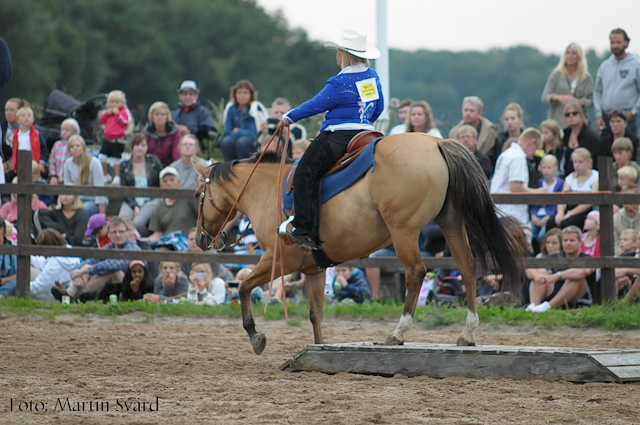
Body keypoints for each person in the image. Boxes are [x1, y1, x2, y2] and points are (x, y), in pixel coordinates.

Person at [279, 29, 383, 249]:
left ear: (343, 54)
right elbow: (378, 107)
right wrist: (363, 122)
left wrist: (289, 117)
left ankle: (306, 230)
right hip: (367, 134)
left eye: (338, 51)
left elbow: (316, 105)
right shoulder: (371, 76)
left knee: (305, 172)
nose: (336, 55)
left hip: (339, 136)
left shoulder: (339, 82)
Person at [51, 217, 141, 302]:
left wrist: (86, 271)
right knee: (87, 268)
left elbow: (113, 265)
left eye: (121, 232)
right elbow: (91, 260)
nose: (118, 235)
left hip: (133, 287)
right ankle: (69, 293)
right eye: (114, 232)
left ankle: (75, 295)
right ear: (108, 234)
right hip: (115, 286)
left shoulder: (132, 248)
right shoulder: (109, 247)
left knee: (110, 272)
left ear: (127, 233)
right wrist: (79, 272)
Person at [490, 128, 546, 245]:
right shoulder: (518, 158)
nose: (535, 152)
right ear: (532, 142)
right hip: (512, 216)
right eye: (537, 148)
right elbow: (516, 187)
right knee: (521, 252)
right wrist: (537, 192)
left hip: (500, 212)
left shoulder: (506, 154)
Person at [526, 226, 595, 313]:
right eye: (565, 240)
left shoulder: (587, 258)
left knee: (575, 278)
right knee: (539, 273)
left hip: (579, 297)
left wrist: (557, 276)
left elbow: (586, 270)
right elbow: (530, 267)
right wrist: (537, 276)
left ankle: (547, 307)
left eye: (572, 240)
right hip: (556, 293)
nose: (568, 243)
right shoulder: (555, 257)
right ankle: (533, 307)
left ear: (580, 243)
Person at [0, 229, 82, 300]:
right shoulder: (68, 252)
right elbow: (40, 261)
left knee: (21, 284)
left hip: (54, 297)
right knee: (30, 270)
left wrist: (18, 285)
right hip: (63, 286)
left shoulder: (55, 265)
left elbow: (37, 288)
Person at [593, 29, 640, 138]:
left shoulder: (636, 65)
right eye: (612, 42)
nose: (615, 46)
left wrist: (634, 111)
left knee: (625, 151)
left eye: (618, 42)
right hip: (607, 118)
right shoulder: (605, 66)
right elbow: (597, 91)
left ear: (626, 43)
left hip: (626, 119)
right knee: (605, 153)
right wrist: (598, 114)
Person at [118, 133, 162, 236]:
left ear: (147, 147)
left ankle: (144, 241)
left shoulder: (154, 162)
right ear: (132, 147)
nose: (140, 148)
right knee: (123, 220)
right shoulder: (124, 165)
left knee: (138, 223)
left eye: (143, 145)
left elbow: (160, 183)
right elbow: (124, 189)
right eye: (137, 145)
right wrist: (134, 206)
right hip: (131, 200)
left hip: (151, 199)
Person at [541, 42, 593, 128]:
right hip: (558, 122)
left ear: (579, 56)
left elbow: (591, 101)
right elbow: (545, 97)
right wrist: (558, 97)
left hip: (579, 123)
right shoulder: (556, 75)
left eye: (573, 53)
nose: (570, 56)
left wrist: (580, 102)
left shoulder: (586, 78)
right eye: (568, 53)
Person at [143, 166, 198, 244]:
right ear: (161, 185)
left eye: (172, 180)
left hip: (190, 243)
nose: (169, 183)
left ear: (179, 182)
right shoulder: (159, 207)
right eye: (165, 181)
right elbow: (157, 234)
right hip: (168, 244)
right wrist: (144, 241)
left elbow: (205, 220)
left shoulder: (189, 199)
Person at [220, 80, 268, 161]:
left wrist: (237, 130)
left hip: (251, 139)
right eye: (239, 92)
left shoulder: (255, 108)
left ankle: (244, 166)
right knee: (225, 142)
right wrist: (238, 133)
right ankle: (228, 166)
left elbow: (253, 132)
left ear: (251, 95)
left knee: (241, 143)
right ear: (235, 94)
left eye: (245, 93)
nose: (242, 95)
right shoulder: (231, 108)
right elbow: (227, 129)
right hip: (234, 137)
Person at [555, 148, 599, 229]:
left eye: (580, 162)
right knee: (552, 223)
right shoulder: (570, 177)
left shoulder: (596, 177)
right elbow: (562, 197)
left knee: (566, 223)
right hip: (569, 208)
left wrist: (571, 213)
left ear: (589, 162)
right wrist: (560, 213)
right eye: (575, 162)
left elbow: (590, 201)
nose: (577, 165)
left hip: (585, 211)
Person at [63, 134, 107, 216]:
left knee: (80, 212)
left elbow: (99, 188)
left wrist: (102, 212)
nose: (75, 148)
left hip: (94, 201)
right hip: (76, 200)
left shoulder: (94, 163)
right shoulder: (68, 163)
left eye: (78, 146)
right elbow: (67, 186)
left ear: (83, 147)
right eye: (72, 146)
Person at [448, 96, 500, 163]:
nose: (468, 113)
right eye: (465, 110)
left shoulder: (491, 133)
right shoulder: (453, 133)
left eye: (472, 111)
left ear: (479, 113)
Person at [98, 90, 131, 184]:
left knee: (116, 159)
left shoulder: (124, 112)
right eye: (112, 102)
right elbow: (102, 120)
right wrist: (106, 114)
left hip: (118, 139)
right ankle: (105, 174)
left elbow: (125, 122)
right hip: (108, 138)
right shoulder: (108, 113)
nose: (114, 104)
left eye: (117, 102)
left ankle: (117, 176)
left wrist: (118, 114)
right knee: (102, 157)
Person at [171, 80, 217, 148]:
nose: (188, 97)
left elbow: (211, 131)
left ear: (196, 96)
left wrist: (190, 132)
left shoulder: (203, 112)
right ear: (180, 96)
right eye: (185, 94)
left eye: (191, 94)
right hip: (175, 147)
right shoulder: (173, 113)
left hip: (197, 148)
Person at [530, 155, 564, 245]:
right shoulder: (538, 182)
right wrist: (533, 215)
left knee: (542, 236)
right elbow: (533, 202)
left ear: (555, 168)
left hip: (550, 215)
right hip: (537, 214)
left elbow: (558, 204)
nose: (546, 170)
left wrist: (548, 217)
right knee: (531, 232)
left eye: (549, 167)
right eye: (544, 167)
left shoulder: (560, 183)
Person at [561, 101, 600, 176]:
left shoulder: (591, 136)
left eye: (574, 113)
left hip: (587, 176)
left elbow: (594, 160)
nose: (571, 116)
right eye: (567, 114)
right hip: (567, 177)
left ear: (582, 115)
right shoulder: (564, 135)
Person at [10, 105, 48, 175]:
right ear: (18, 119)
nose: (26, 118)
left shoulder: (37, 133)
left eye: (29, 115)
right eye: (23, 115)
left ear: (33, 119)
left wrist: (41, 162)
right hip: (19, 164)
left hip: (34, 163)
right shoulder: (15, 135)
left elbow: (44, 149)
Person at [143, 101, 181, 167]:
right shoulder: (146, 132)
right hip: (150, 166)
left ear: (167, 117)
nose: (159, 117)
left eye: (162, 114)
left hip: (170, 166)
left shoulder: (174, 132)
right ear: (152, 117)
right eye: (157, 114)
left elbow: (177, 154)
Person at [2, 98, 28, 181]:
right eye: (6, 110)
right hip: (4, 167)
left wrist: (15, 164)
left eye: (12, 110)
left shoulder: (28, 130)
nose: (8, 113)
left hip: (23, 166)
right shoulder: (2, 129)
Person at [48, 118, 80, 185]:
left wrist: (65, 176)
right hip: (57, 179)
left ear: (75, 131)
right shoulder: (57, 145)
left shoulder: (76, 145)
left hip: (71, 179)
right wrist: (53, 176)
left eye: (67, 130)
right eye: (63, 129)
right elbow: (52, 161)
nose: (64, 132)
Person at [613, 184, 640, 256]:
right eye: (625, 197)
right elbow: (614, 245)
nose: (627, 201)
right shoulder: (615, 219)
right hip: (620, 257)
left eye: (630, 198)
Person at [0, 218, 17, 293]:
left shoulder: (13, 247)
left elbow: (19, 275)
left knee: (16, 284)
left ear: (1, 229)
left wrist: (2, 281)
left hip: (7, 285)